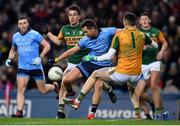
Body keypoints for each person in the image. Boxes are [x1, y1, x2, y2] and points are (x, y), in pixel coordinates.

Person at [63, 12, 158, 120]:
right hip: (136, 73)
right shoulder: (142, 35)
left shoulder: (119, 35)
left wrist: (93, 58)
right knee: (132, 90)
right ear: (135, 22)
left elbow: (108, 56)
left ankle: (77, 101)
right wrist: (142, 48)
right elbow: (155, 46)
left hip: (122, 72)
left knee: (95, 75)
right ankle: (137, 115)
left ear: (124, 22)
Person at [48, 19, 118, 119]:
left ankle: (92, 114)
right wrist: (56, 59)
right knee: (66, 80)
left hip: (103, 66)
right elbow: (72, 51)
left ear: (93, 29)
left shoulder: (108, 31)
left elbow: (123, 31)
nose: (85, 34)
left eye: (86, 32)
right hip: (88, 64)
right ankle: (71, 92)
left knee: (98, 86)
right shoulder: (85, 40)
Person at [5, 17, 59, 118]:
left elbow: (47, 46)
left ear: (28, 24)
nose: (23, 25)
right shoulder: (15, 36)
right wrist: (9, 59)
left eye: (24, 23)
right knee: (21, 89)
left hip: (36, 67)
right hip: (23, 68)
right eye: (20, 24)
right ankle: (19, 112)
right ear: (18, 26)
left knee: (42, 91)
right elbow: (13, 50)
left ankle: (54, 86)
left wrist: (40, 57)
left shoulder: (35, 34)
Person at [138, 12, 169, 120]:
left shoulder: (156, 32)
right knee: (139, 94)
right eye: (142, 19)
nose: (145, 21)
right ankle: (162, 109)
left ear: (150, 21)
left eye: (146, 18)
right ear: (139, 22)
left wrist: (161, 52)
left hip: (154, 62)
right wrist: (140, 48)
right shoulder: (138, 33)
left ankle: (157, 113)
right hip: (142, 64)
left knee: (154, 87)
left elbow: (165, 43)